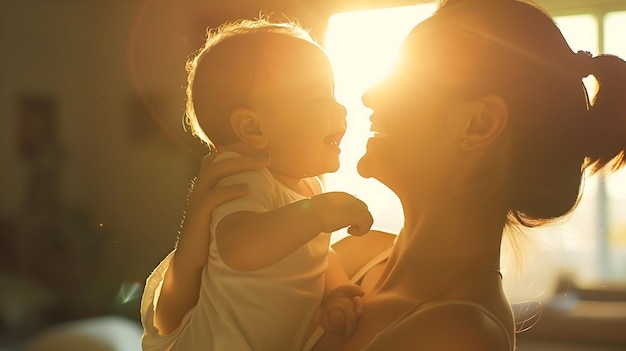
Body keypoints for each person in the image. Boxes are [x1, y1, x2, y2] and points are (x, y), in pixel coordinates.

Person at [146, 0, 626, 349]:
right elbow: (180, 323)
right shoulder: (355, 254)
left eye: (407, 74)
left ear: (476, 123)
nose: (370, 94)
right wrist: (193, 247)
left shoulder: (457, 335)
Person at [140, 19, 374, 350]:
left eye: (333, 93)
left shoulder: (310, 188)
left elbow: (319, 253)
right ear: (253, 128)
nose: (340, 108)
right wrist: (320, 212)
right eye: (318, 98)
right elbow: (241, 247)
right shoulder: (241, 176)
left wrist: (335, 290)